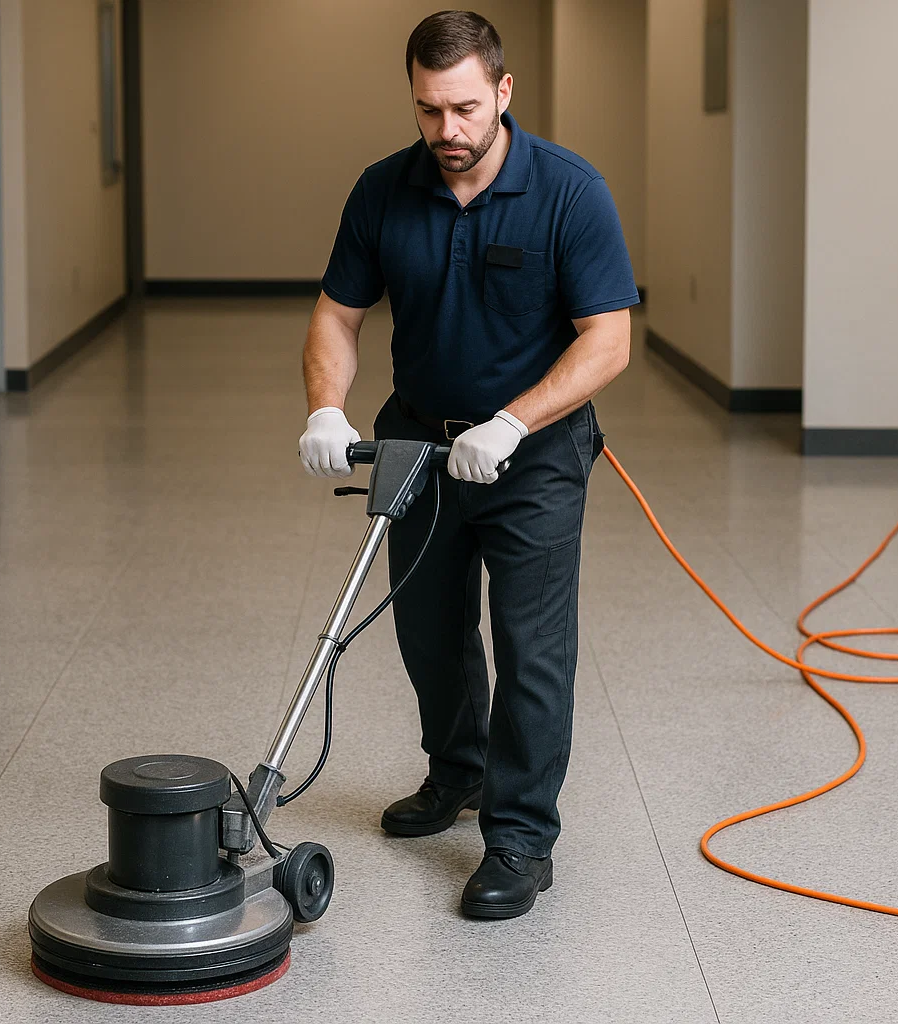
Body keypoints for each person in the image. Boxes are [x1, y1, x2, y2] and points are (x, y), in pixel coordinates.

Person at [298, 10, 637, 919]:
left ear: (503, 92)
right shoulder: (383, 190)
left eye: (464, 108)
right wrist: (326, 405)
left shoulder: (570, 191)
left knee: (533, 649)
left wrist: (514, 422)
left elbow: (609, 340)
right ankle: (458, 772)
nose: (448, 131)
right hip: (417, 441)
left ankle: (522, 839)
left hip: (531, 453)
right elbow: (338, 313)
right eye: (427, 110)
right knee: (430, 632)